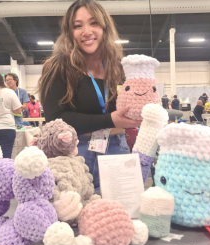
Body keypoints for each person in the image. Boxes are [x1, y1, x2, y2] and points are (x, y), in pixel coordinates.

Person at [38, 0, 140, 188]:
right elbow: (54, 120)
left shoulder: (119, 67)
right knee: (75, 213)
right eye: (78, 26)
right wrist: (110, 120)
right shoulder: (58, 67)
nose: (87, 31)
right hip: (76, 153)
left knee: (122, 214)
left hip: (117, 148)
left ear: (105, 28)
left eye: (94, 23)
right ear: (69, 32)